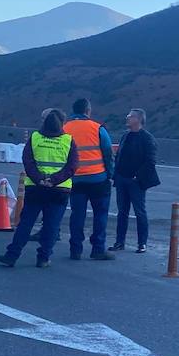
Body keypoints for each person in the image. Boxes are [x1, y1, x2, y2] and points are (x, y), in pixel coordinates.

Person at [0, 109, 79, 268]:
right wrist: (54, 180)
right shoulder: (69, 141)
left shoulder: (35, 138)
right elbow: (72, 166)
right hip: (59, 190)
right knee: (51, 225)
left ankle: (12, 255)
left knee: (26, 223)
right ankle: (43, 257)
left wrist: (39, 179)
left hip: (36, 188)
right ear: (61, 124)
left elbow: (27, 162)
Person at [64, 98, 116, 261]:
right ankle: (98, 248)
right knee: (100, 214)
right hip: (98, 179)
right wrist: (110, 174)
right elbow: (108, 153)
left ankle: (75, 249)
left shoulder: (64, 128)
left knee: (77, 215)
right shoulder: (97, 128)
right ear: (88, 111)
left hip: (76, 179)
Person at [110, 109, 160, 253]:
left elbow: (150, 161)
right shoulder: (125, 135)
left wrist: (137, 176)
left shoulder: (147, 138)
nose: (127, 118)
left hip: (136, 182)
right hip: (121, 179)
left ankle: (142, 243)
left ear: (138, 119)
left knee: (139, 212)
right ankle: (120, 242)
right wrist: (116, 174)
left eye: (130, 116)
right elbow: (119, 155)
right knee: (122, 212)